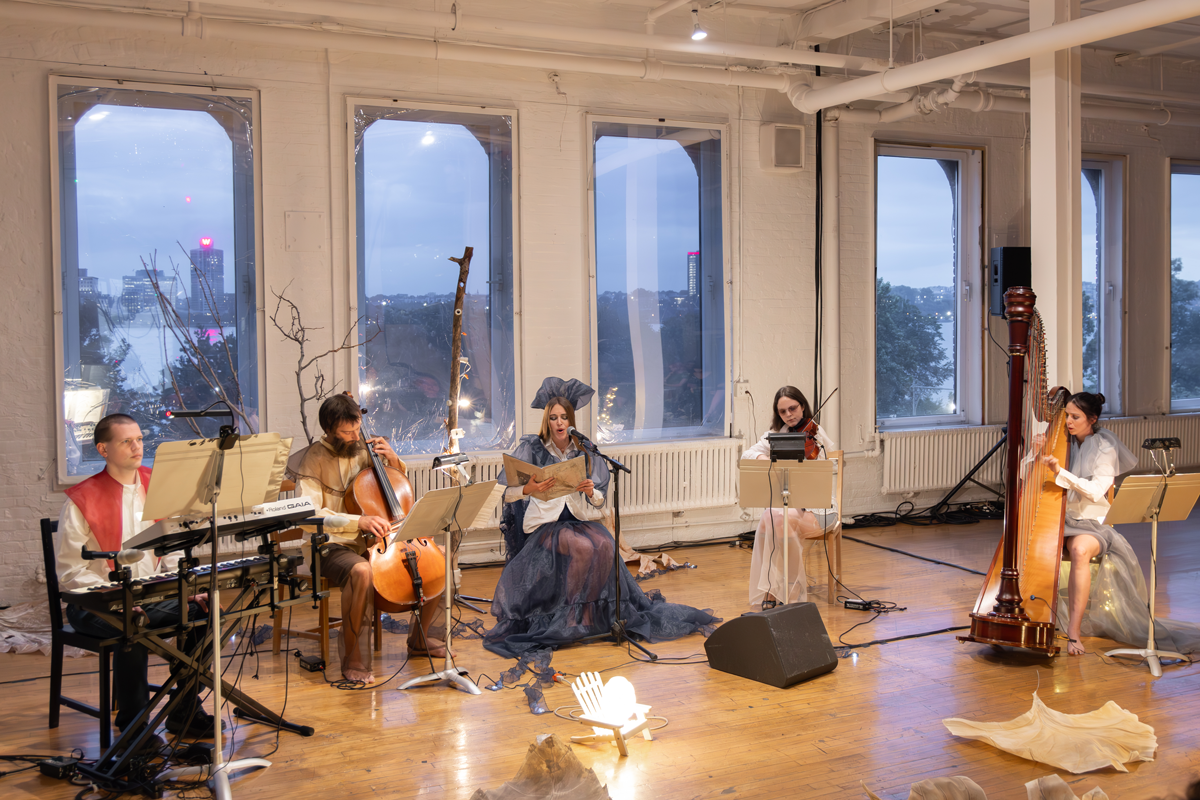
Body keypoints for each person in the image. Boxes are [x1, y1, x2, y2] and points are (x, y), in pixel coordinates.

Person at [483, 377, 718, 659]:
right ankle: (570, 616)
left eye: (564, 417)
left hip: (576, 519)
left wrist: (591, 491)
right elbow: (507, 492)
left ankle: (587, 611)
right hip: (546, 525)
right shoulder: (533, 448)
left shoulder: (583, 450)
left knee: (606, 544)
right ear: (547, 420)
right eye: (554, 417)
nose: (559, 423)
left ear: (571, 420)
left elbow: (599, 502)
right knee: (582, 548)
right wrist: (529, 488)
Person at [56, 414, 218, 750]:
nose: (137, 446)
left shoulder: (156, 485)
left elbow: (174, 547)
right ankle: (134, 727)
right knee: (134, 622)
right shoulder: (80, 500)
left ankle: (184, 709)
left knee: (205, 611)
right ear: (103, 449)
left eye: (140, 439)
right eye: (126, 441)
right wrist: (116, 594)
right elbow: (71, 573)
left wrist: (183, 589)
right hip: (95, 602)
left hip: (152, 594)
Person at [289, 394, 445, 684]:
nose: (355, 437)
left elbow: (392, 487)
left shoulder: (362, 449)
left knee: (437, 559)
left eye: (357, 429)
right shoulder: (313, 460)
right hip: (330, 545)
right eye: (347, 432)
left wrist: (393, 459)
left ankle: (420, 640)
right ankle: (352, 657)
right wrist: (357, 520)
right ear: (329, 429)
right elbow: (307, 516)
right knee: (361, 571)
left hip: (373, 542)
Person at [1042, 391, 1200, 657]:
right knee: (1036, 549)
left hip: (1089, 522)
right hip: (1056, 518)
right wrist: (1034, 452)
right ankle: (1037, 617)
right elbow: (1024, 475)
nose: (1068, 421)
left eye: (1075, 417)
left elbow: (1094, 491)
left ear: (1092, 419)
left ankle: (1074, 633)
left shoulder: (1105, 446)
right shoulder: (1059, 442)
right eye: (1066, 415)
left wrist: (1059, 471)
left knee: (1080, 551)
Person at [743, 385, 838, 608]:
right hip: (791, 507)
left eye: (792, 408)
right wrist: (763, 458)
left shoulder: (815, 433)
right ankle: (789, 588)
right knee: (772, 516)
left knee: (775, 520)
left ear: (802, 406)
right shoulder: (776, 436)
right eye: (783, 412)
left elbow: (821, 472)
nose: (789, 415)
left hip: (819, 508)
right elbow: (748, 453)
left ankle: (776, 589)